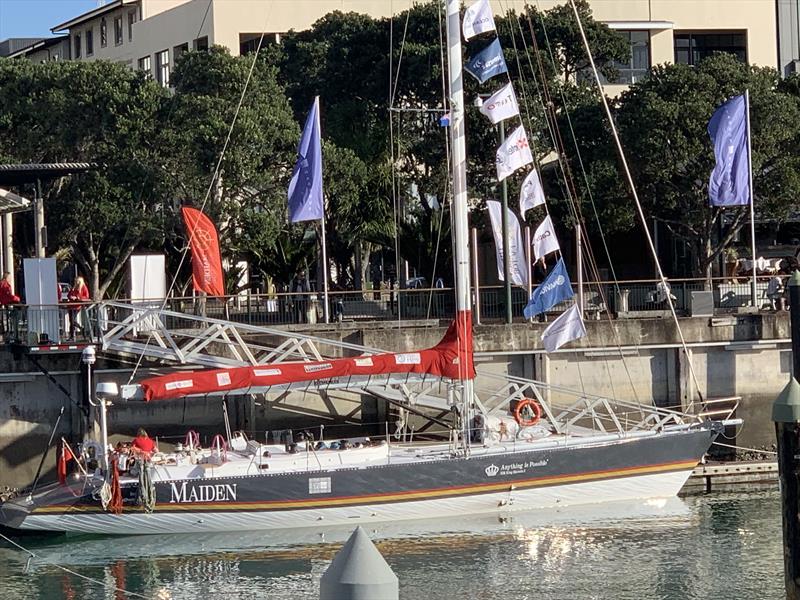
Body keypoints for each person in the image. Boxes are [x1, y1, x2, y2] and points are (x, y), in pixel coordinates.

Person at [0, 272, 20, 337]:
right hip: (6, 304)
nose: (11, 279)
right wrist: (17, 299)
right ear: (7, 277)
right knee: (12, 319)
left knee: (6, 321)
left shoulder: (2, 283)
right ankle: (13, 335)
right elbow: (8, 296)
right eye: (10, 277)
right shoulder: (5, 285)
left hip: (4, 304)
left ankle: (9, 334)